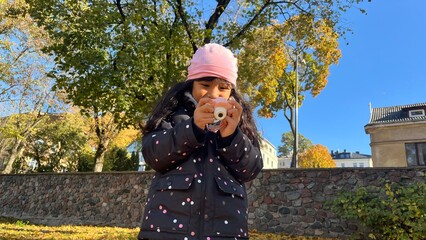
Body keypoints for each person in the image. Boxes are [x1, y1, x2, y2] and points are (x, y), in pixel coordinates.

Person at [137, 43, 263, 240]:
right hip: (168, 231)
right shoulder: (173, 113)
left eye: (223, 88)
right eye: (205, 85)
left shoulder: (239, 123)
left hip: (226, 233)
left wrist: (231, 137)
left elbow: (251, 169)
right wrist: (192, 128)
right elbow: (153, 155)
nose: (213, 94)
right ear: (191, 84)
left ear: (232, 92)